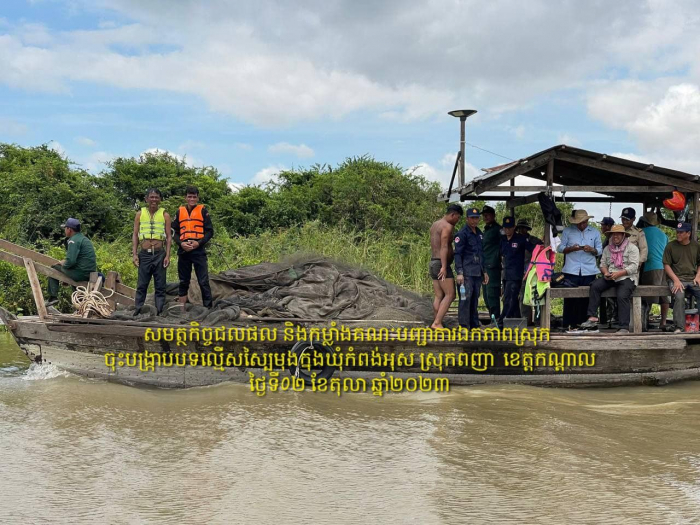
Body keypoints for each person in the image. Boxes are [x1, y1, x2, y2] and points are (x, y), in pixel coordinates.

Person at [580, 225, 639, 334]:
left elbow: (634, 267)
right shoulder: (608, 248)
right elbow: (602, 264)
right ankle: (592, 318)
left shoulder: (632, 248)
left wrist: (619, 273)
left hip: (626, 277)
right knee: (595, 285)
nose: (615, 236)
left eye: (618, 234)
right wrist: (606, 273)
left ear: (623, 235)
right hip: (611, 276)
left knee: (622, 295)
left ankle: (624, 327)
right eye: (613, 234)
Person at [557, 209, 602, 329]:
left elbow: (599, 250)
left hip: (589, 270)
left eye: (583, 222)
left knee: (587, 298)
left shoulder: (595, 232)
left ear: (587, 221)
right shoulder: (568, 231)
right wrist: (571, 249)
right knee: (570, 298)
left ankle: (585, 324)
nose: (581, 225)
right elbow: (560, 248)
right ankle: (569, 324)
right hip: (571, 270)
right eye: (579, 223)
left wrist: (592, 249)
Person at [172, 186, 215, 309]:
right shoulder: (180, 212)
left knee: (203, 280)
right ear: (185, 198)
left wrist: (198, 243)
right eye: (189, 196)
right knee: (183, 281)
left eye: (194, 197)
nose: (191, 199)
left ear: (197, 198)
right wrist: (181, 243)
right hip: (184, 250)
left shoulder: (203, 211)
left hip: (198, 250)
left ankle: (208, 308)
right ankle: (182, 308)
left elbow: (210, 231)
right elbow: (173, 231)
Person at [132, 188, 171, 315]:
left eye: (156, 197)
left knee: (160, 285)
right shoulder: (140, 214)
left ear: (160, 199)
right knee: (142, 284)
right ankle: (138, 309)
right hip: (144, 254)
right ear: (146, 199)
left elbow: (169, 237)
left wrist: (168, 255)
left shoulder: (165, 215)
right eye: (151, 197)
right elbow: (135, 234)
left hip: (160, 254)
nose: (154, 199)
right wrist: (135, 254)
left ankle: (159, 311)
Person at [46, 218, 97, 306]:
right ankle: (80, 304)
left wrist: (63, 265)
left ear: (69, 229)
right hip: (88, 272)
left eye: (65, 228)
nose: (64, 231)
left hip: (81, 273)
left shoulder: (73, 240)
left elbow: (71, 261)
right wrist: (65, 275)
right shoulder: (84, 239)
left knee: (54, 268)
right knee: (68, 271)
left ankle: (53, 297)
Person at [429, 204, 463, 329]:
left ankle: (437, 321)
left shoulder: (435, 224)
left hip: (433, 262)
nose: (457, 220)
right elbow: (443, 247)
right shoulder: (447, 226)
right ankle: (437, 322)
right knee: (450, 294)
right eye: (458, 218)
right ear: (453, 215)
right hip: (440, 264)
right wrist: (444, 266)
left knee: (439, 295)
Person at [454, 207, 489, 329]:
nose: (475, 220)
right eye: (472, 218)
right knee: (465, 298)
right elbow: (458, 254)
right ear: (467, 219)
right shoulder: (462, 234)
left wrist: (484, 271)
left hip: (477, 272)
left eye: (477, 218)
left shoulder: (479, 233)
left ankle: (474, 326)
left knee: (475, 299)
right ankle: (464, 326)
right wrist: (459, 272)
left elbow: (482, 254)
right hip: (466, 272)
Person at [663, 222, 700, 333]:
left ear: (688, 233)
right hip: (676, 278)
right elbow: (666, 265)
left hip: (692, 278)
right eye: (677, 232)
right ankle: (679, 327)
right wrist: (676, 280)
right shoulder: (670, 246)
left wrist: (698, 276)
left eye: (681, 232)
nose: (678, 234)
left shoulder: (696, 246)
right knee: (679, 296)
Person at [499, 216, 536, 325]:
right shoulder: (502, 240)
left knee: (509, 298)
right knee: (513, 299)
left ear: (514, 227)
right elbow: (500, 254)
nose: (507, 230)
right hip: (505, 274)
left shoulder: (521, 239)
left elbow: (533, 249)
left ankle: (502, 321)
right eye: (505, 228)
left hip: (516, 275)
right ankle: (517, 321)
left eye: (509, 228)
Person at [638, 211, 670, 329]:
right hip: (665, 267)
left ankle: (644, 322)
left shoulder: (641, 232)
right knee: (664, 296)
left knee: (647, 295)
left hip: (650, 266)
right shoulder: (663, 234)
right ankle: (663, 322)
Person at [515, 219, 542, 325]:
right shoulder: (515, 240)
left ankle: (538, 320)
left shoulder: (534, 241)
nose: (521, 231)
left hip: (533, 272)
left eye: (524, 228)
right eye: (519, 228)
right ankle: (525, 320)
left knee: (536, 296)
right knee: (522, 297)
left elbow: (542, 250)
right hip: (519, 272)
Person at [480, 205, 501, 321]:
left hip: (493, 266)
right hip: (484, 266)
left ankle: (496, 320)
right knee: (486, 296)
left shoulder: (498, 230)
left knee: (492, 294)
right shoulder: (486, 230)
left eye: (487, 215)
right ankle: (493, 318)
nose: (485, 217)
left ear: (493, 215)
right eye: (484, 215)